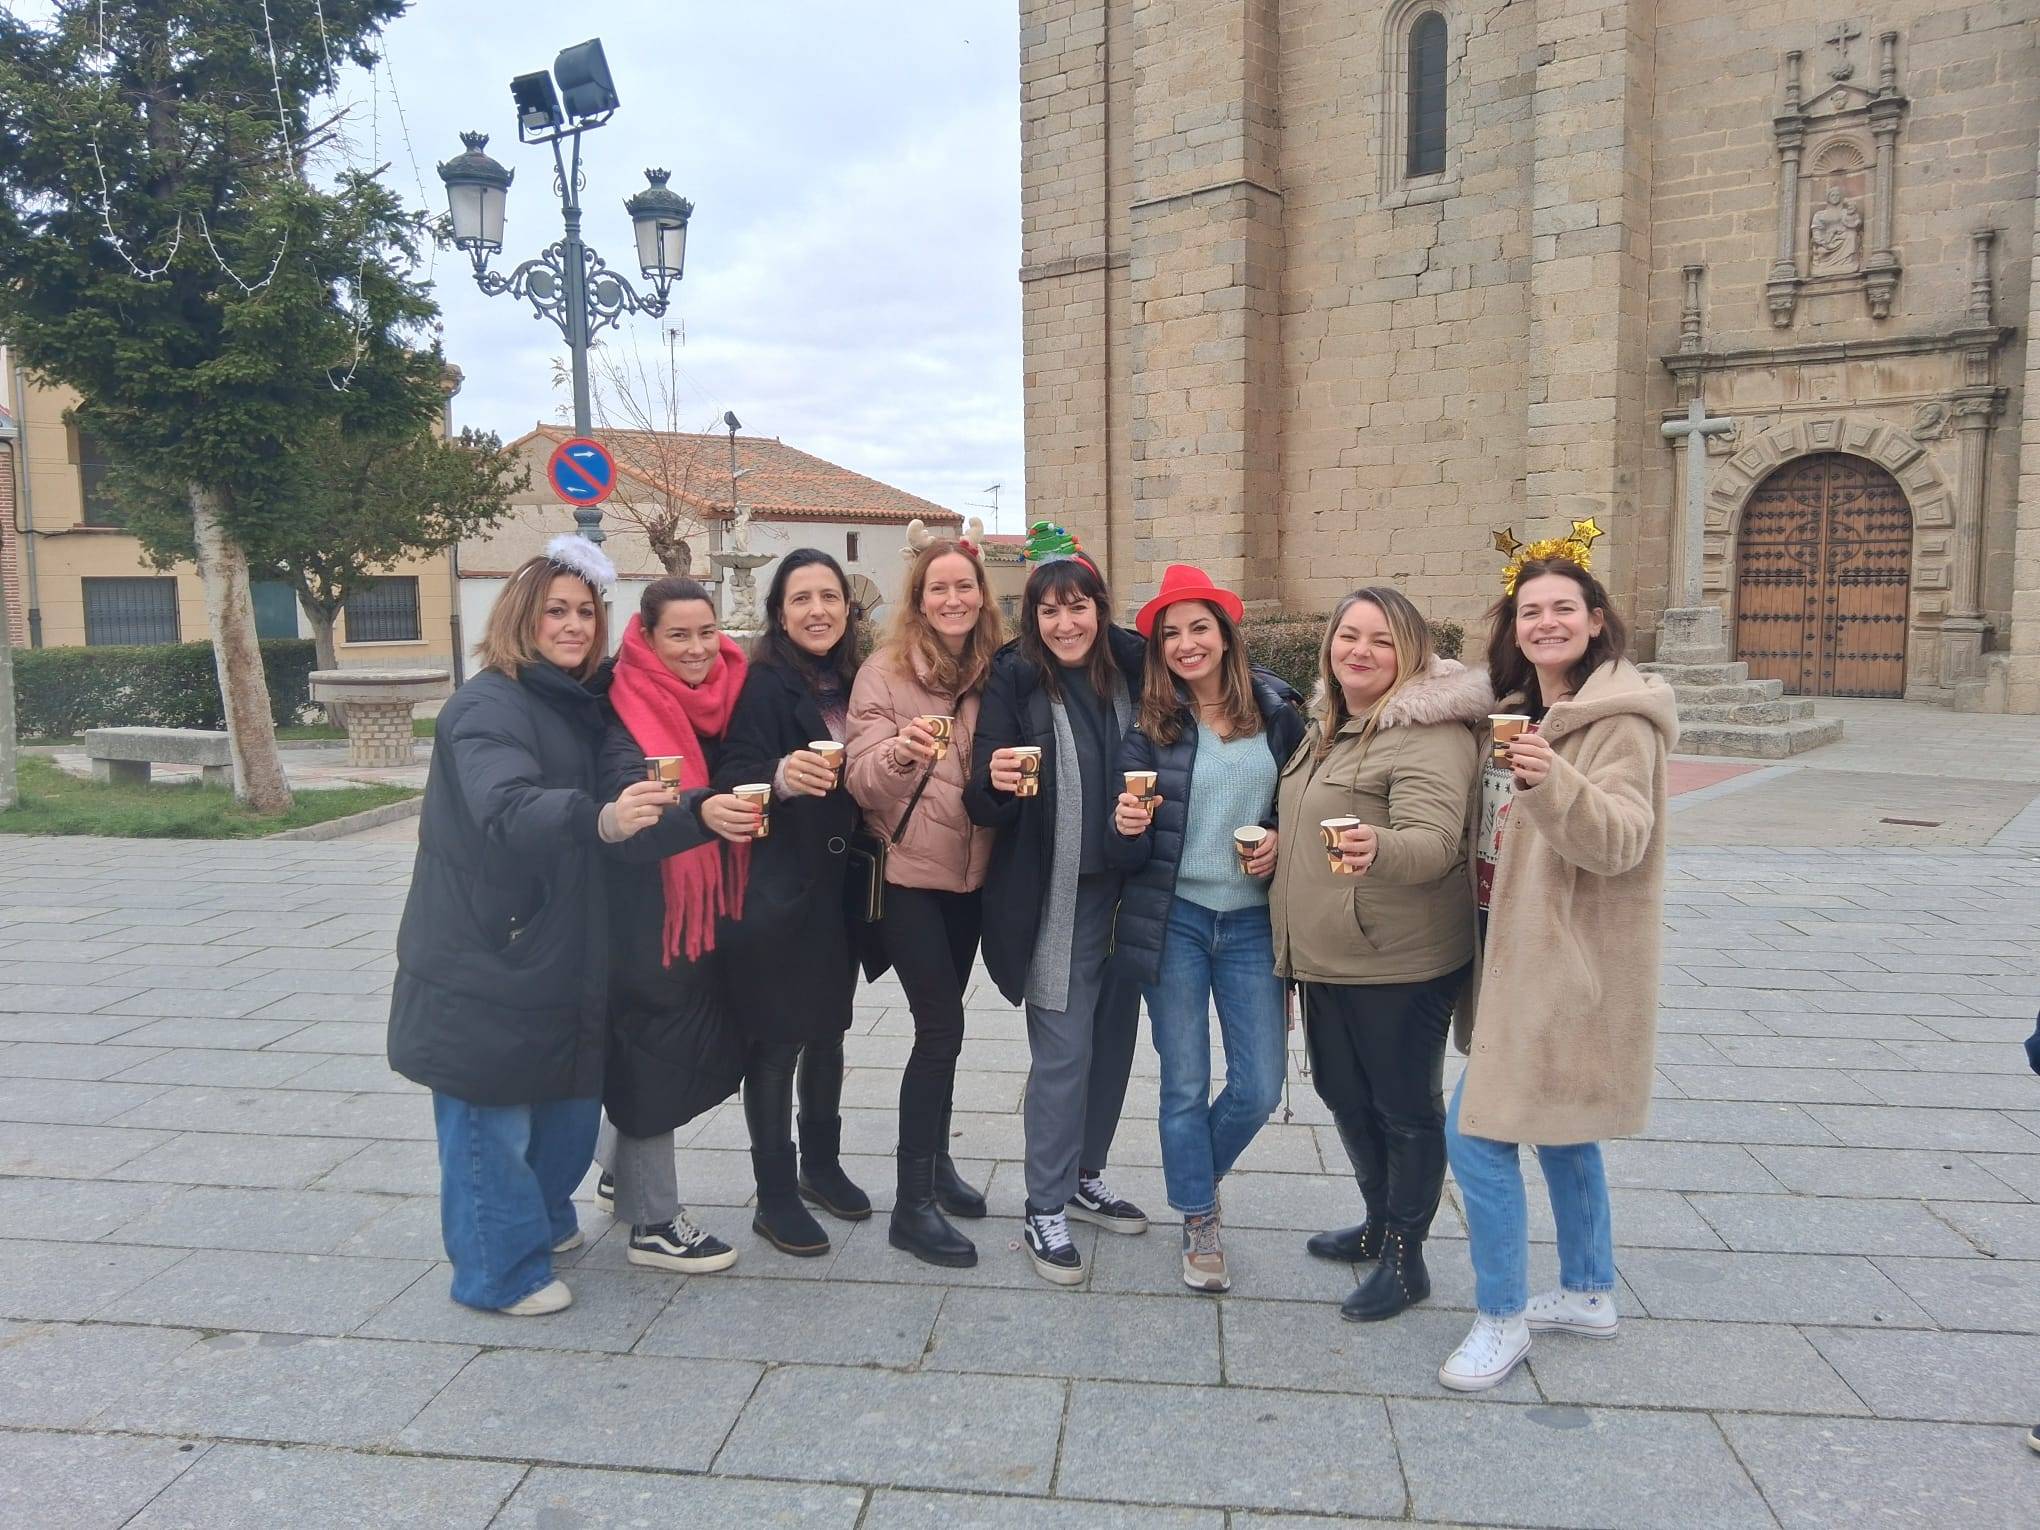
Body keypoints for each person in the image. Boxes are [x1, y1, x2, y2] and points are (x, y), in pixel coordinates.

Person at [388, 537, 670, 1316]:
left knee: (565, 1110)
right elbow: (505, 805)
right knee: (491, 1119)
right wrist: (603, 819)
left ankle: (541, 1225)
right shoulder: (486, 705)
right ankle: (497, 1273)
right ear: (522, 617)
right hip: (487, 946)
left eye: (586, 612)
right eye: (557, 611)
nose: (574, 625)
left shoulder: (574, 704)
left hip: (555, 942)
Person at [1438, 549, 1677, 1391]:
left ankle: (1501, 1319)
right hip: (1508, 946)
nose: (1547, 623)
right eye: (1531, 611)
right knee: (1564, 1132)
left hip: (1560, 960)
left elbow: (1621, 840)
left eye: (1563, 609)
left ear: (1596, 619)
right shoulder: (1520, 709)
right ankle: (1587, 1290)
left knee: (1474, 1133)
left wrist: (1551, 780)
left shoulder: (1620, 719)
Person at [1268, 588, 1490, 1322]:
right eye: (1348, 636)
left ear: (1414, 654)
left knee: (1403, 1110)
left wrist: (1379, 848)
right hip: (1327, 955)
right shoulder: (1330, 723)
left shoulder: (1428, 732)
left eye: (1382, 641)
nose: (1359, 651)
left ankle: (1407, 1257)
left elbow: (1432, 843)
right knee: (1344, 1094)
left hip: (1399, 960)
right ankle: (1377, 1222)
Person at [1108, 564, 1304, 1293]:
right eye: (1171, 634)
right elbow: (1122, 849)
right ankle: (1200, 1216)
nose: (1187, 644)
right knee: (1184, 1081)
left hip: (1253, 923)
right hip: (1176, 922)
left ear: (1225, 636)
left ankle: (1191, 1176)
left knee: (1258, 1086)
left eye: (1200, 628)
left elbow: (1308, 802)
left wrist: (1283, 835)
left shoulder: (1279, 710)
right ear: (1158, 648)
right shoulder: (1150, 727)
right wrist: (1125, 827)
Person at [966, 542, 1151, 1285]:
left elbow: (1224, 679)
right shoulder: (1013, 677)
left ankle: (1084, 1175)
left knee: (1112, 1049)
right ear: (1032, 618)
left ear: (1100, 610)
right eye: (1049, 609)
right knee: (1064, 1052)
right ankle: (1044, 1202)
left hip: (1132, 889)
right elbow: (979, 793)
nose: (1065, 622)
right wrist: (999, 779)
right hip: (1058, 895)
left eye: (1078, 606)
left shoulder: (1135, 665)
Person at [589, 576, 757, 1274]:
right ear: (647, 637)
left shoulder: (733, 688)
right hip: (647, 906)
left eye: (706, 632)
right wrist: (702, 810)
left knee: (666, 1047)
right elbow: (631, 797)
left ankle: (613, 1170)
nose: (696, 649)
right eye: (678, 636)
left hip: (700, 902)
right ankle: (654, 1224)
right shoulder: (624, 698)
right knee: (653, 1054)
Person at [847, 538, 1005, 1267]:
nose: (952, 599)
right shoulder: (885, 670)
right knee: (939, 1028)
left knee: (950, 1027)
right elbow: (862, 782)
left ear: (981, 594)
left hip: (970, 878)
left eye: (964, 587)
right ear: (918, 599)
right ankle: (911, 1206)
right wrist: (903, 751)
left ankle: (937, 1169)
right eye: (938, 588)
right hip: (907, 876)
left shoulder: (996, 667)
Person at [714, 550, 871, 1257]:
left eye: (829, 596)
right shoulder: (763, 683)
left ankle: (822, 1167)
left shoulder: (858, 676)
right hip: (778, 890)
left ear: (847, 607)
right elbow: (733, 770)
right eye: (802, 598)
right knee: (778, 1043)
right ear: (780, 612)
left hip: (838, 891)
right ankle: (774, 1196)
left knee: (830, 1030)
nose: (817, 610)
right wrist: (780, 775)